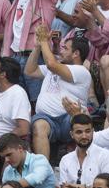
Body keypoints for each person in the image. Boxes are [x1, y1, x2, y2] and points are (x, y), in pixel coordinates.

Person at [25, 24, 91, 159]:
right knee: (38, 126)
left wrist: (44, 41)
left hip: (70, 118)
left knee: (80, 119)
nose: (61, 51)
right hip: (47, 119)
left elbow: (51, 64)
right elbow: (30, 70)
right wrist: (38, 46)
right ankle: (42, 170)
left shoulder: (81, 71)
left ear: (76, 54)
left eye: (65, 48)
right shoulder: (56, 67)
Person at [58, 114, 109, 187]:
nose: (84, 136)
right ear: (72, 134)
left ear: (93, 132)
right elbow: (64, 186)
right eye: (79, 132)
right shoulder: (65, 160)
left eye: (87, 131)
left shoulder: (105, 155)